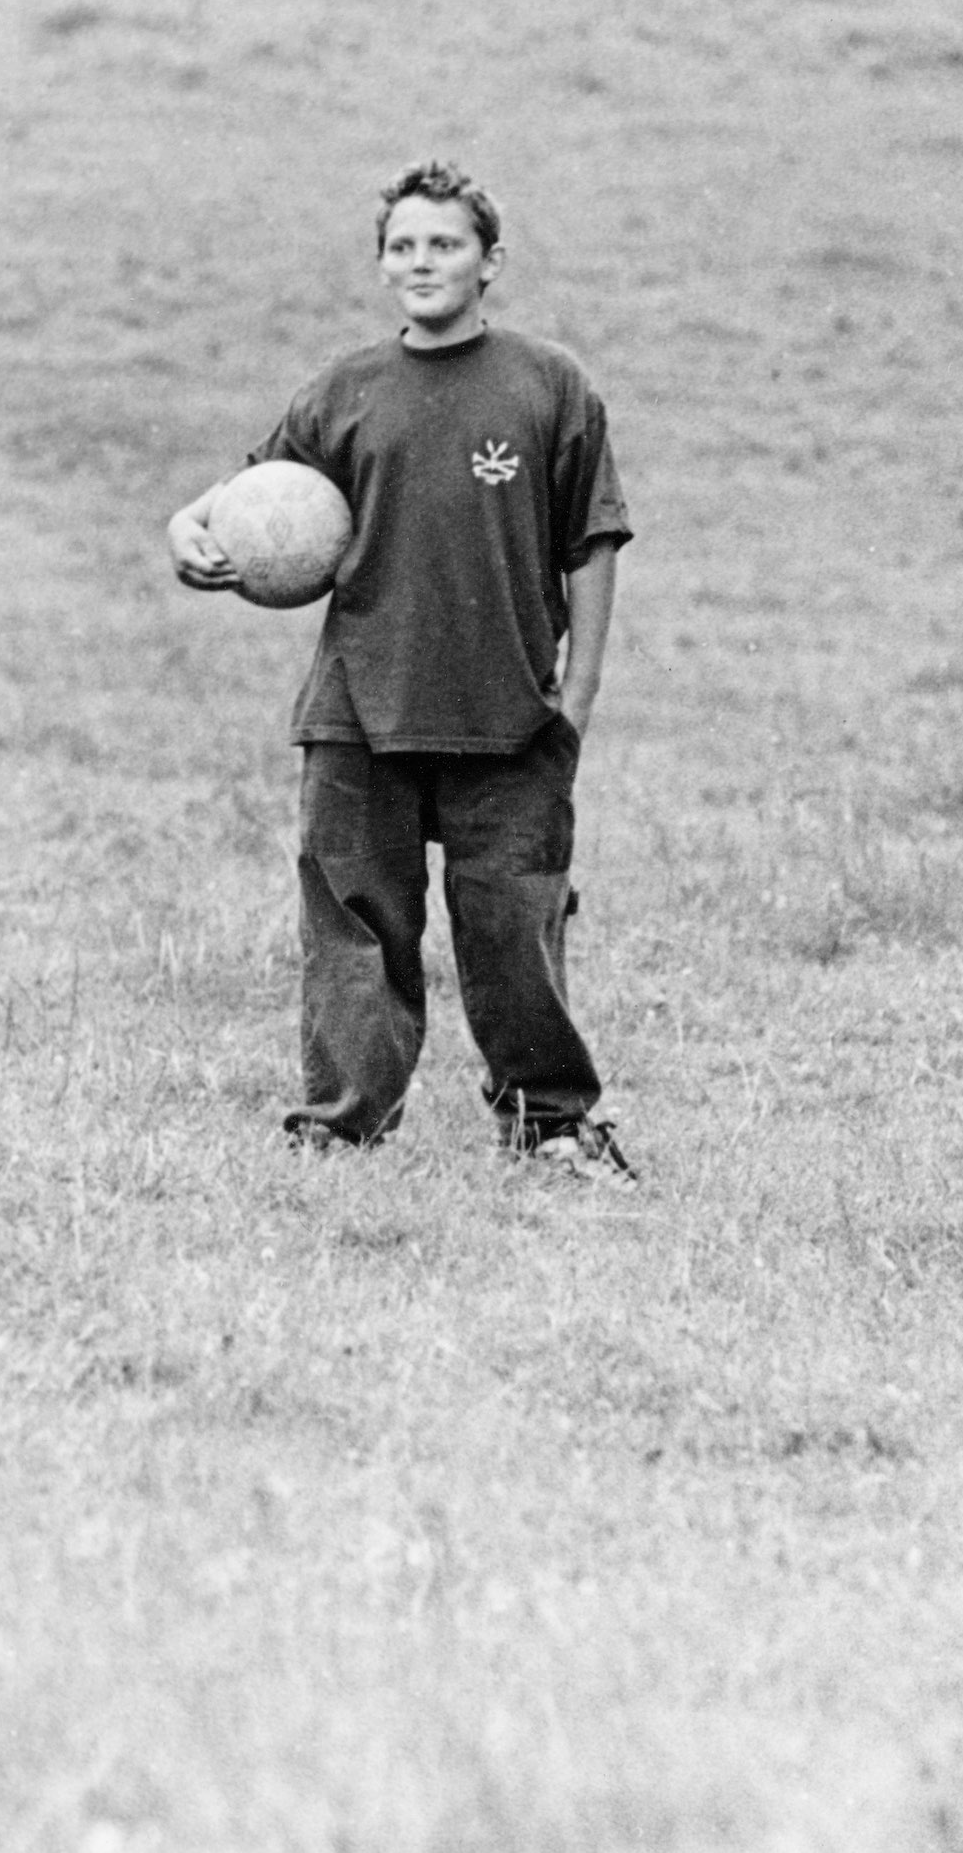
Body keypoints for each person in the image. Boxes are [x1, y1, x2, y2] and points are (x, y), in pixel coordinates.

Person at [168, 160, 635, 1174]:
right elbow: (248, 494)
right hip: (357, 712)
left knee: (515, 926)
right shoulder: (343, 391)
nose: (422, 262)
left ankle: (551, 1125)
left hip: (509, 713)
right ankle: (341, 1129)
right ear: (383, 264)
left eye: (446, 244)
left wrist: (579, 696)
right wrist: (185, 526)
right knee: (353, 930)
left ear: (490, 261)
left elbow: (591, 544)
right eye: (404, 246)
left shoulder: (550, 386)